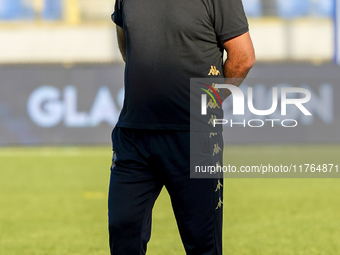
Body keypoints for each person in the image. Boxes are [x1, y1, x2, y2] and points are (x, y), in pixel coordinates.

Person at [108, 0, 255, 254]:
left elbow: (243, 57)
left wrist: (210, 102)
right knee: (123, 234)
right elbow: (126, 44)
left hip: (194, 136)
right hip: (134, 134)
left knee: (203, 244)